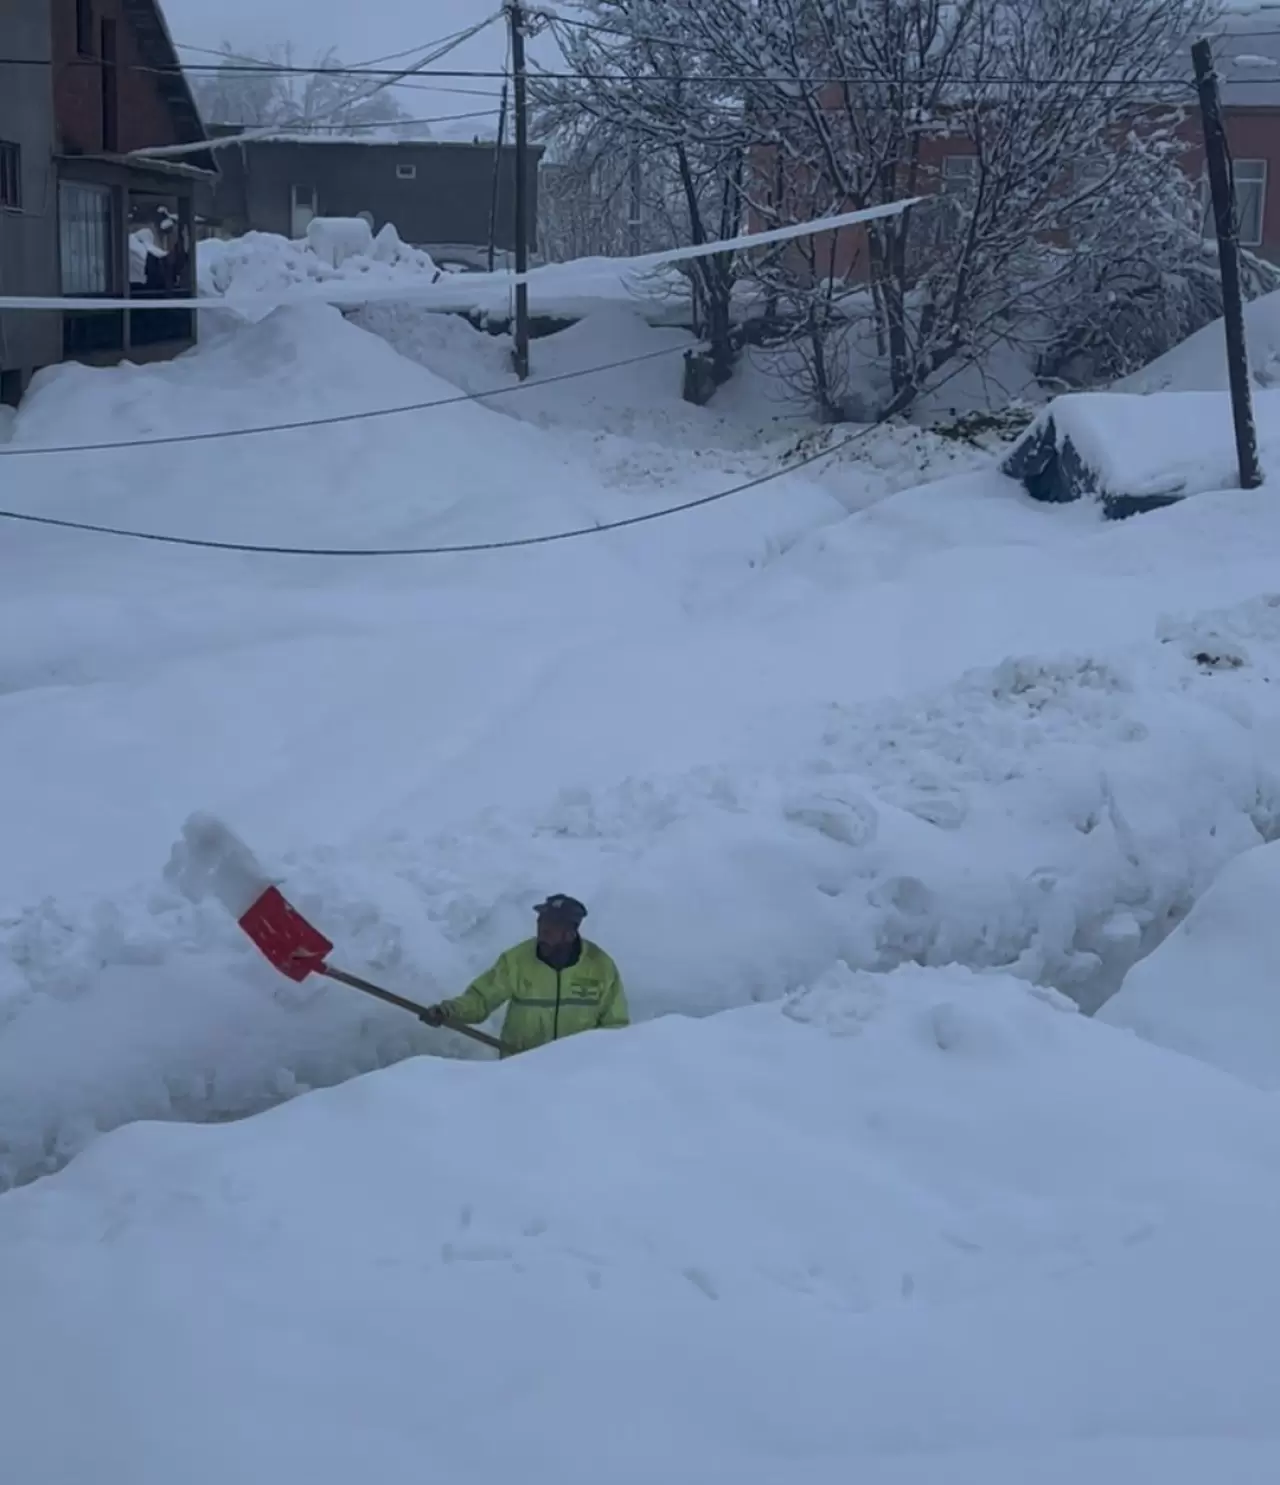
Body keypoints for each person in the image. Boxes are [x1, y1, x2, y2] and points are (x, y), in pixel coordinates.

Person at [424, 894, 629, 1056]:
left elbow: (616, 1026)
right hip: (521, 1071)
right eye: (541, 924)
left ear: (570, 933)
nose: (542, 933)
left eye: (550, 929)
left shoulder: (600, 966)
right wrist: (448, 1011)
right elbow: (480, 1000)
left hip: (576, 1077)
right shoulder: (516, 961)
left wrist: (600, 1066)